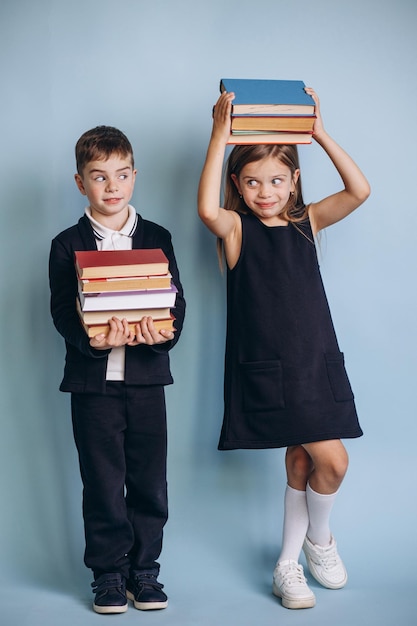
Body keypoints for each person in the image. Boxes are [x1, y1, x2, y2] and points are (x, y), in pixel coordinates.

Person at [198, 88, 370, 610]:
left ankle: (292, 561)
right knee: (328, 461)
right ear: (238, 185)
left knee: (306, 462)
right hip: (269, 369)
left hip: (316, 363)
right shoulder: (235, 230)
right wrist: (219, 136)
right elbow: (207, 207)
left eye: (276, 180)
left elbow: (359, 190)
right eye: (251, 182)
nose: (265, 191)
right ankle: (316, 545)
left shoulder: (306, 223)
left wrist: (315, 132)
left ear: (294, 180)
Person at [49, 126, 185, 614]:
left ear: (134, 176)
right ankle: (108, 576)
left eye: (122, 175)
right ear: (80, 182)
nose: (112, 186)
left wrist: (165, 332)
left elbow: (177, 305)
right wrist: (90, 339)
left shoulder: (157, 237)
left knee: (150, 482)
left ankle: (144, 574)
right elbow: (63, 311)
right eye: (99, 177)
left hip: (147, 383)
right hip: (93, 388)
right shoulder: (66, 244)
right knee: (103, 483)